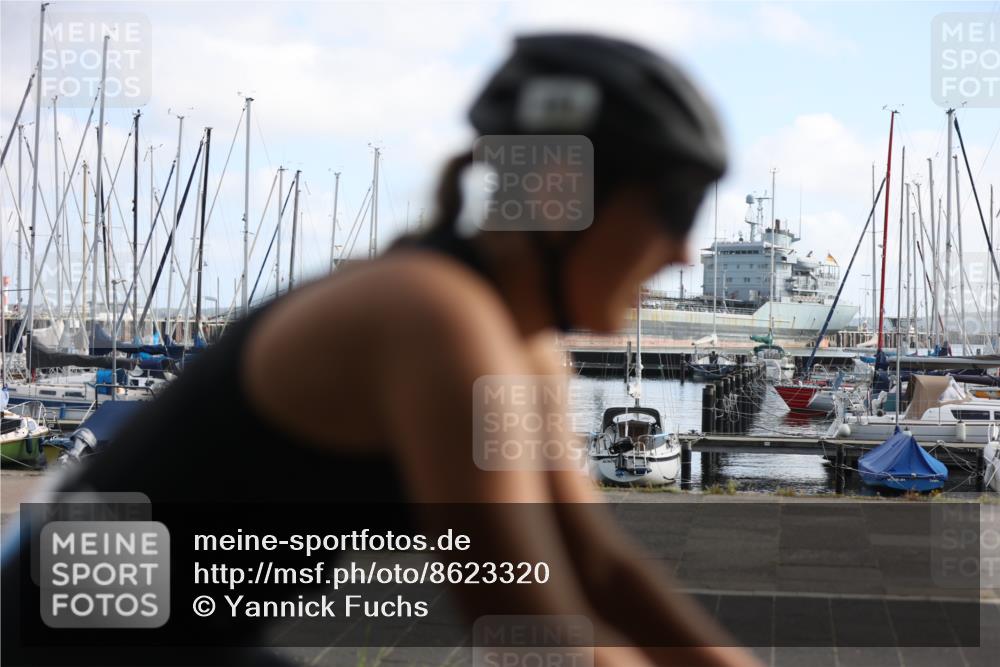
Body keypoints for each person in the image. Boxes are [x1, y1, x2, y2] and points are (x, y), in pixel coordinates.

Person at [3, 34, 762, 667]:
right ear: (569, 196)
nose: (686, 252)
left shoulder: (516, 348)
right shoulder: (435, 318)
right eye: (675, 206)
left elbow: (597, 564)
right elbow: (525, 623)